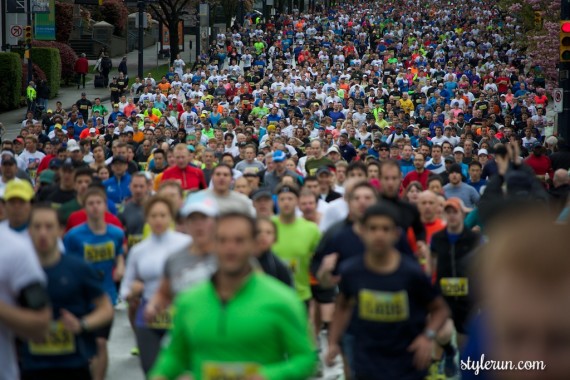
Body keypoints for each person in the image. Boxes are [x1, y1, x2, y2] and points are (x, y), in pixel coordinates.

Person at [149, 211, 317, 380]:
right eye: (222, 240)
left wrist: (268, 376)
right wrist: (160, 375)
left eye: (239, 240)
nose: (230, 248)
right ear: (213, 244)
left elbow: (306, 359)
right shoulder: (189, 301)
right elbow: (175, 356)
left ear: (254, 244)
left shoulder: (283, 300)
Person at [326, 203, 450, 380]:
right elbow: (342, 306)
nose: (379, 234)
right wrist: (332, 342)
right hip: (367, 362)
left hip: (407, 362)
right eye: (373, 228)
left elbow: (440, 309)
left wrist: (427, 336)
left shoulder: (411, 273)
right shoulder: (351, 271)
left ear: (396, 234)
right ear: (361, 231)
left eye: (385, 229)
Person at [21, 205, 114, 380]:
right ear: (29, 231)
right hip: (31, 366)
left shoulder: (79, 268)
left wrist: (82, 324)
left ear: (61, 231)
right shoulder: (18, 270)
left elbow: (105, 309)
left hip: (73, 365)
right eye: (37, 226)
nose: (43, 233)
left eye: (49, 226)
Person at [120, 196, 191, 374]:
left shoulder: (185, 245)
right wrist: (132, 292)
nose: (158, 220)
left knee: (180, 371)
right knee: (151, 370)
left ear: (171, 217)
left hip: (179, 316)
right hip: (149, 317)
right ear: (147, 218)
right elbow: (125, 288)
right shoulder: (139, 251)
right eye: (154, 215)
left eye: (163, 215)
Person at [63, 187, 125, 380]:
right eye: (91, 203)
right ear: (84, 207)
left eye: (99, 203)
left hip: (106, 296)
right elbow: (67, 263)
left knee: (100, 343)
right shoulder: (73, 236)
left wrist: (121, 267)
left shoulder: (116, 233)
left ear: (105, 206)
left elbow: (119, 255)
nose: (95, 207)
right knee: (84, 346)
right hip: (80, 297)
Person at [272, 183, 321, 307]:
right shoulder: (268, 226)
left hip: (301, 294)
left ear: (297, 202)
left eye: (290, 199)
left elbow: (319, 259)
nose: (286, 203)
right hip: (273, 295)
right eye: (282, 199)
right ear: (277, 202)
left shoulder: (311, 229)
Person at [254, 218, 293, 286]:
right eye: (258, 231)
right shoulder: (242, 260)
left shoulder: (279, 267)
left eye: (268, 232)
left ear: (275, 239)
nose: (263, 235)